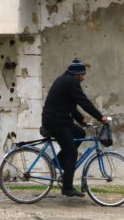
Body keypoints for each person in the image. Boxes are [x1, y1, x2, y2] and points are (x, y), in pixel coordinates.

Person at [41, 59, 109, 197]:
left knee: (80, 132)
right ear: (77, 74)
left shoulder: (66, 80)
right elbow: (84, 102)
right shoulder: (71, 82)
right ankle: (67, 187)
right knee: (71, 153)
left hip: (58, 120)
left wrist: (81, 120)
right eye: (82, 75)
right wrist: (100, 117)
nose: (83, 78)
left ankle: (59, 161)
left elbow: (71, 104)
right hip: (56, 123)